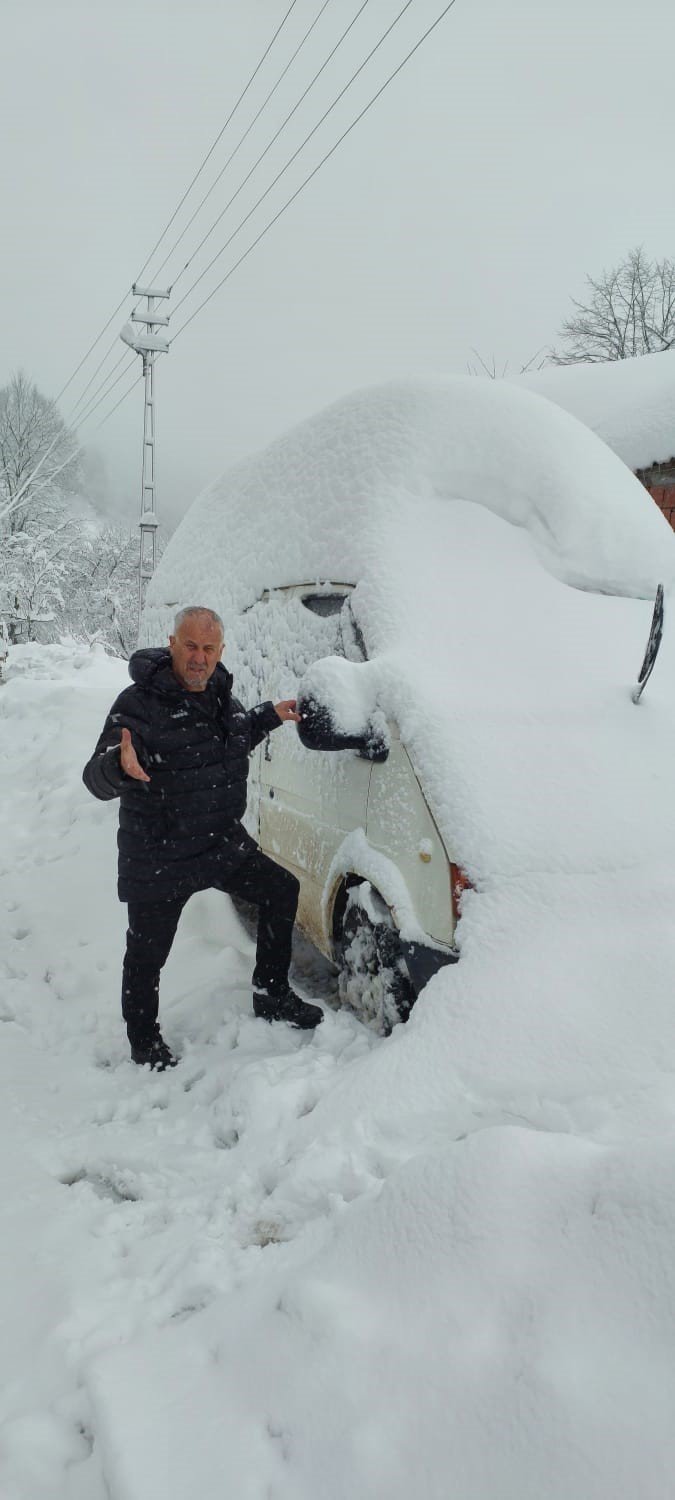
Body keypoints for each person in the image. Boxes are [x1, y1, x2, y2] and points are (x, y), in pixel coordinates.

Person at [83, 605, 323, 1070]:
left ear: (220, 651)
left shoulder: (219, 694)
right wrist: (118, 765)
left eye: (208, 648)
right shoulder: (138, 703)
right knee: (147, 955)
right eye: (190, 646)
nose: (199, 657)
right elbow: (95, 775)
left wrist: (269, 715)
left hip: (217, 843)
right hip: (160, 853)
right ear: (172, 643)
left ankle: (271, 995)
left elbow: (233, 737)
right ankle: (143, 1039)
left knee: (281, 890)